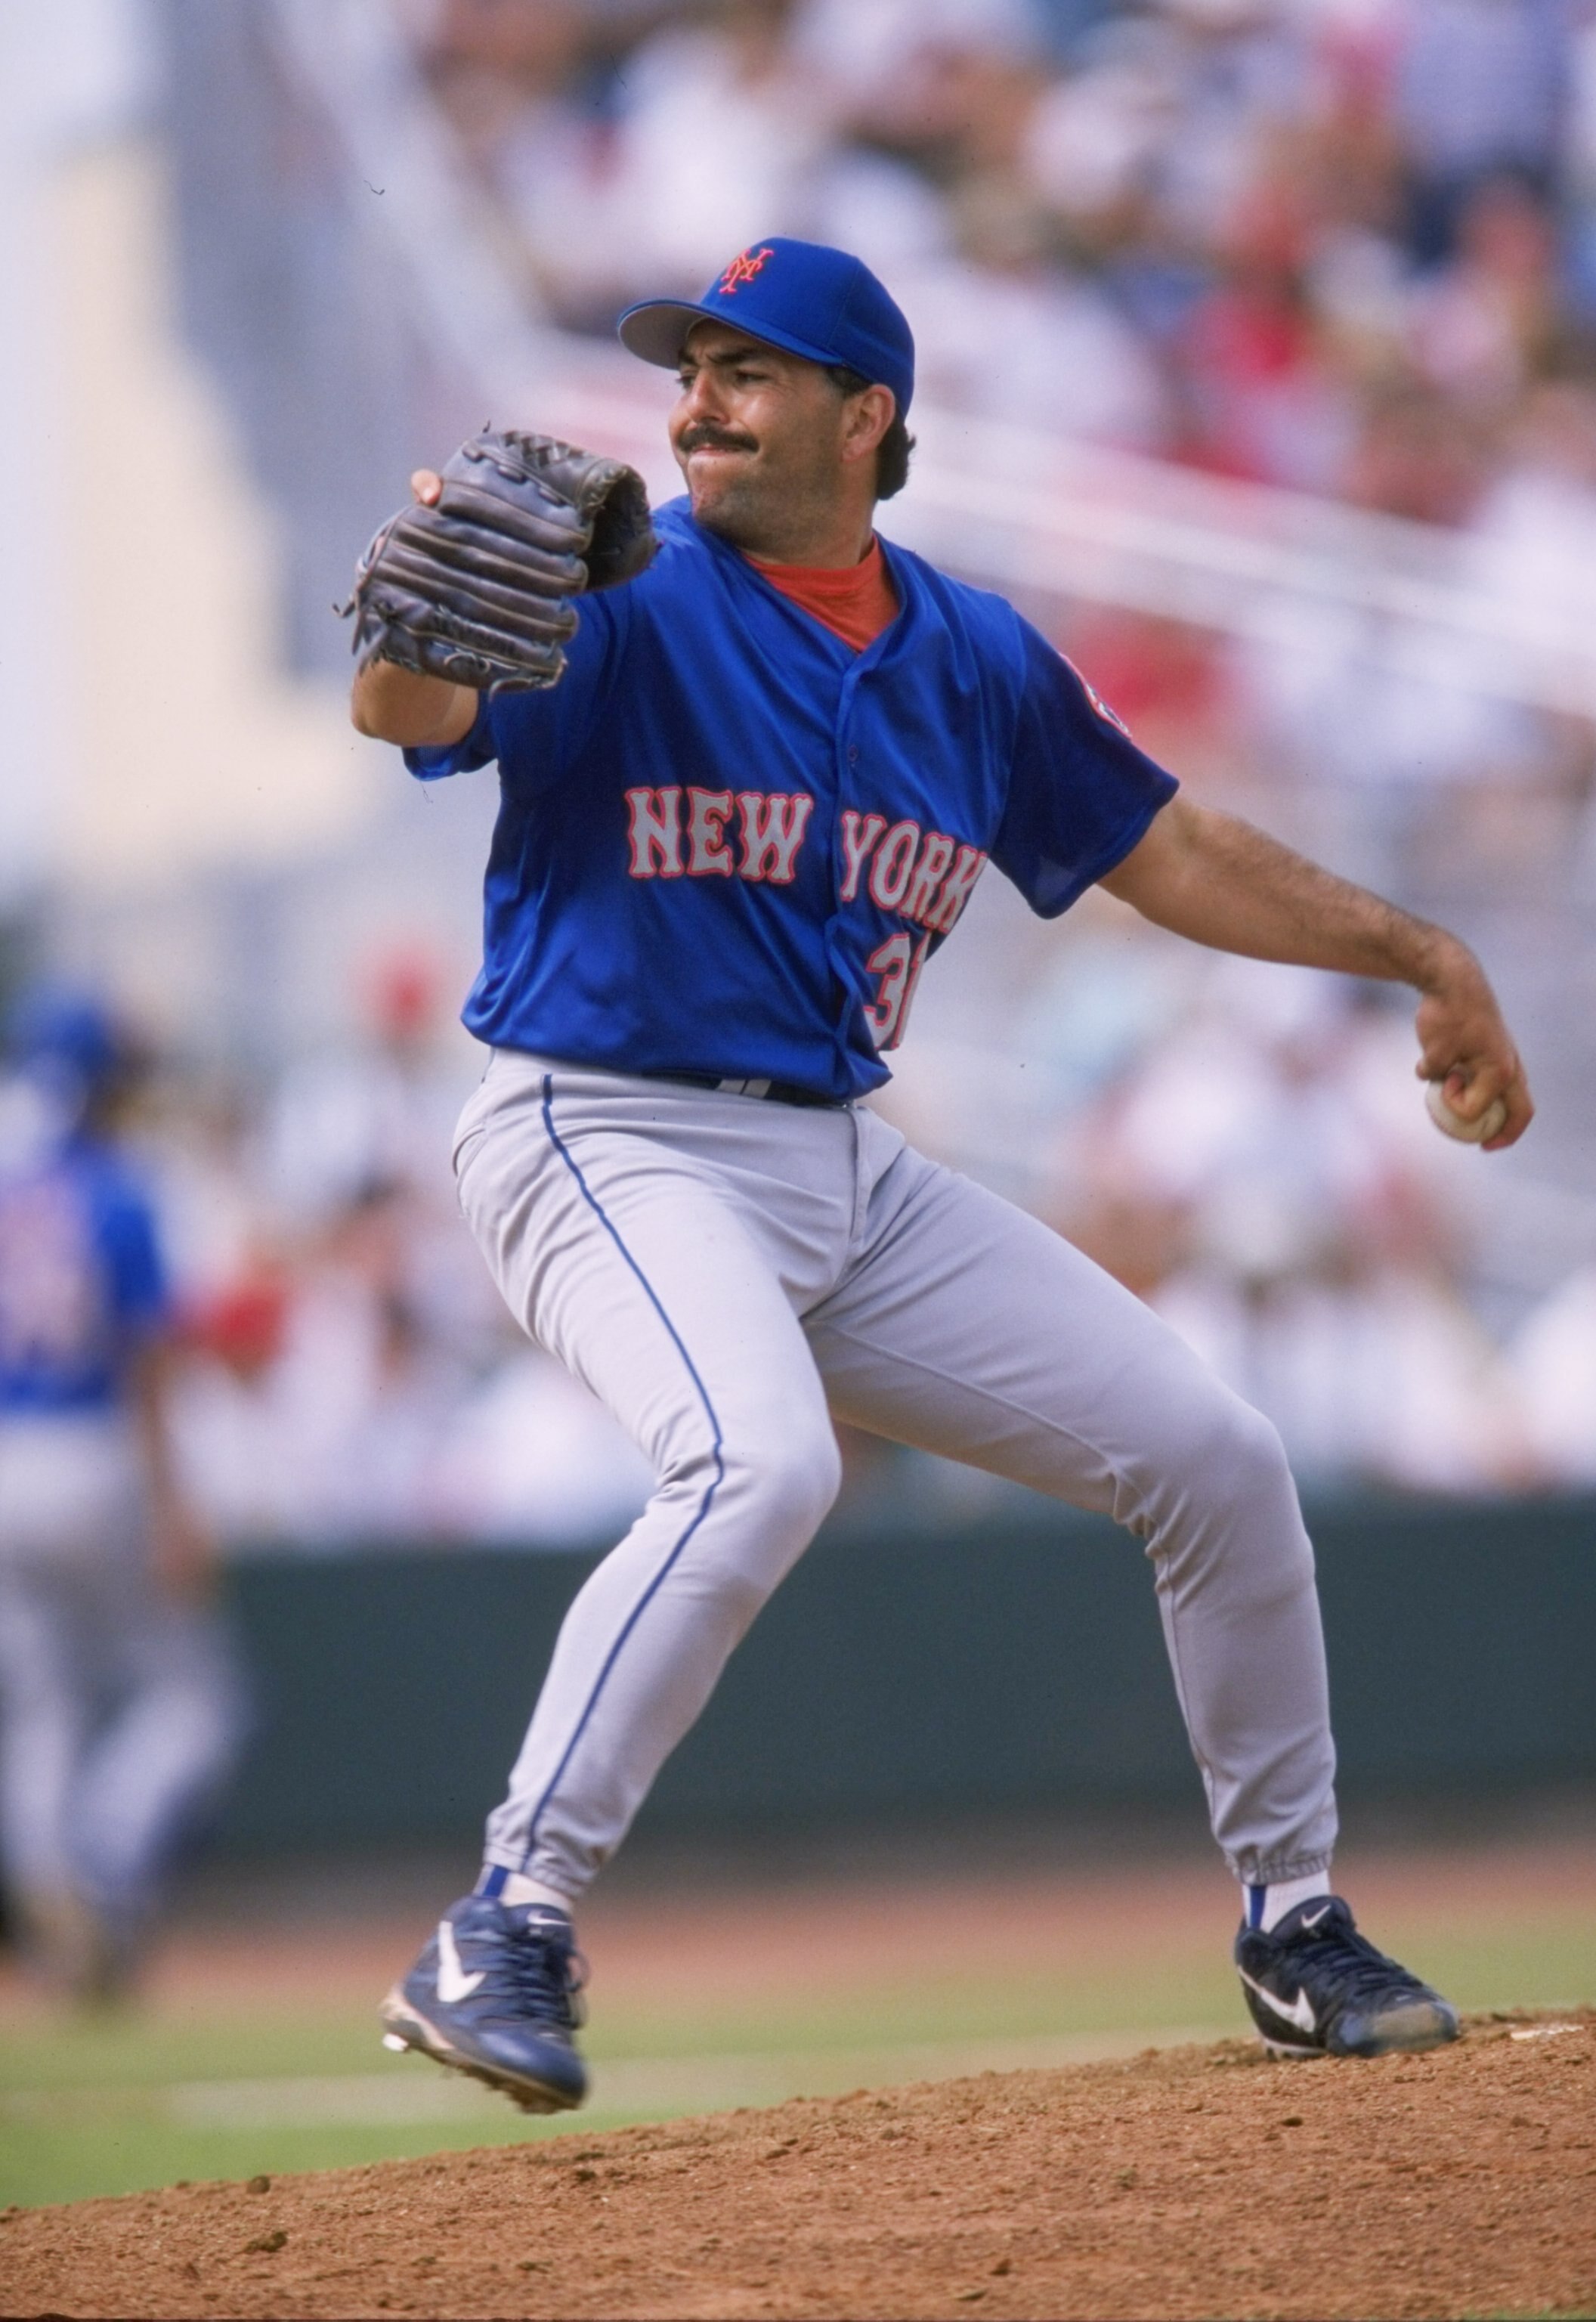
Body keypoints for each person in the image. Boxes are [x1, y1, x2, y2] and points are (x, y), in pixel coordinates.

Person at [351, 238, 1533, 2109]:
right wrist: (416, 636)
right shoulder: (631, 590)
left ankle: (1296, 1923)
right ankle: (508, 1916)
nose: (694, 406)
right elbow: (410, 720)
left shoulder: (972, 658)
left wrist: (1425, 955)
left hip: (842, 1159)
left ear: (865, 414)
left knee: (1218, 1460)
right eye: (689, 370)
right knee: (759, 1463)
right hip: (603, 1121)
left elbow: (1176, 850)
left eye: (746, 372)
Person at [0, 989, 247, 2000]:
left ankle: (50, 1891)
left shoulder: (12, 1190)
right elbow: (149, 1361)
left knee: (43, 1710)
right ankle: (101, 1868)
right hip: (94, 1451)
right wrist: (175, 1506)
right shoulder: (121, 1192)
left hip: (9, 1458)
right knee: (198, 1701)